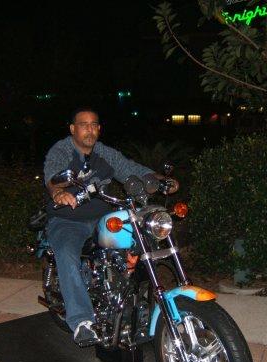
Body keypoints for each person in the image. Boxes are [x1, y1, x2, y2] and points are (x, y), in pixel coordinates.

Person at [43, 107, 178, 345]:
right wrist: (58, 193)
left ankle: (128, 301)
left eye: (94, 125)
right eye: (83, 125)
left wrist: (160, 180)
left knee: (138, 239)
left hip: (101, 217)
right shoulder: (61, 150)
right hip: (67, 219)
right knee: (66, 252)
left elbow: (130, 169)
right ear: (73, 129)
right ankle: (82, 321)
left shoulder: (104, 153)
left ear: (99, 128)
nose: (90, 129)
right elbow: (52, 175)